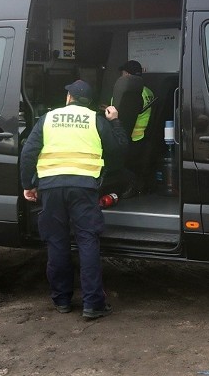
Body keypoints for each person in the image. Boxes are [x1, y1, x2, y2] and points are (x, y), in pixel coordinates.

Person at [20, 79, 128, 319]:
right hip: (83, 189)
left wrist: (29, 184)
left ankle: (62, 300)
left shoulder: (48, 119)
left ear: (68, 98)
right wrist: (115, 121)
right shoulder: (96, 121)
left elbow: (28, 153)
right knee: (87, 242)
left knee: (57, 242)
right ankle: (92, 304)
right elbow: (119, 150)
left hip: (50, 188)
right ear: (88, 102)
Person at [110, 60, 154, 197]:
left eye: (123, 73)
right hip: (142, 136)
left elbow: (117, 115)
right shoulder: (147, 91)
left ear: (127, 74)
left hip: (129, 137)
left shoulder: (128, 93)